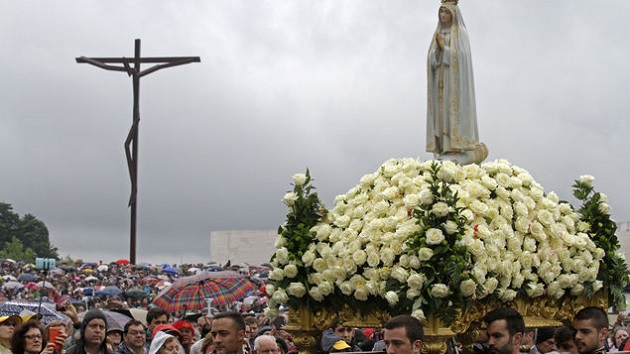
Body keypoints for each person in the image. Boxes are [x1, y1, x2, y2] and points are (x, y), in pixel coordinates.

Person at [426, 0, 486, 165]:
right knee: (442, 114)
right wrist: (437, 50)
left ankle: (456, 147)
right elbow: (431, 60)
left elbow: (462, 58)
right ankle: (444, 148)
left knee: (452, 113)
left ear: (453, 14)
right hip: (440, 82)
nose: (443, 16)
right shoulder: (437, 34)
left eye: (446, 12)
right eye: (441, 12)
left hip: (455, 86)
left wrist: (444, 49)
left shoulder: (461, 33)